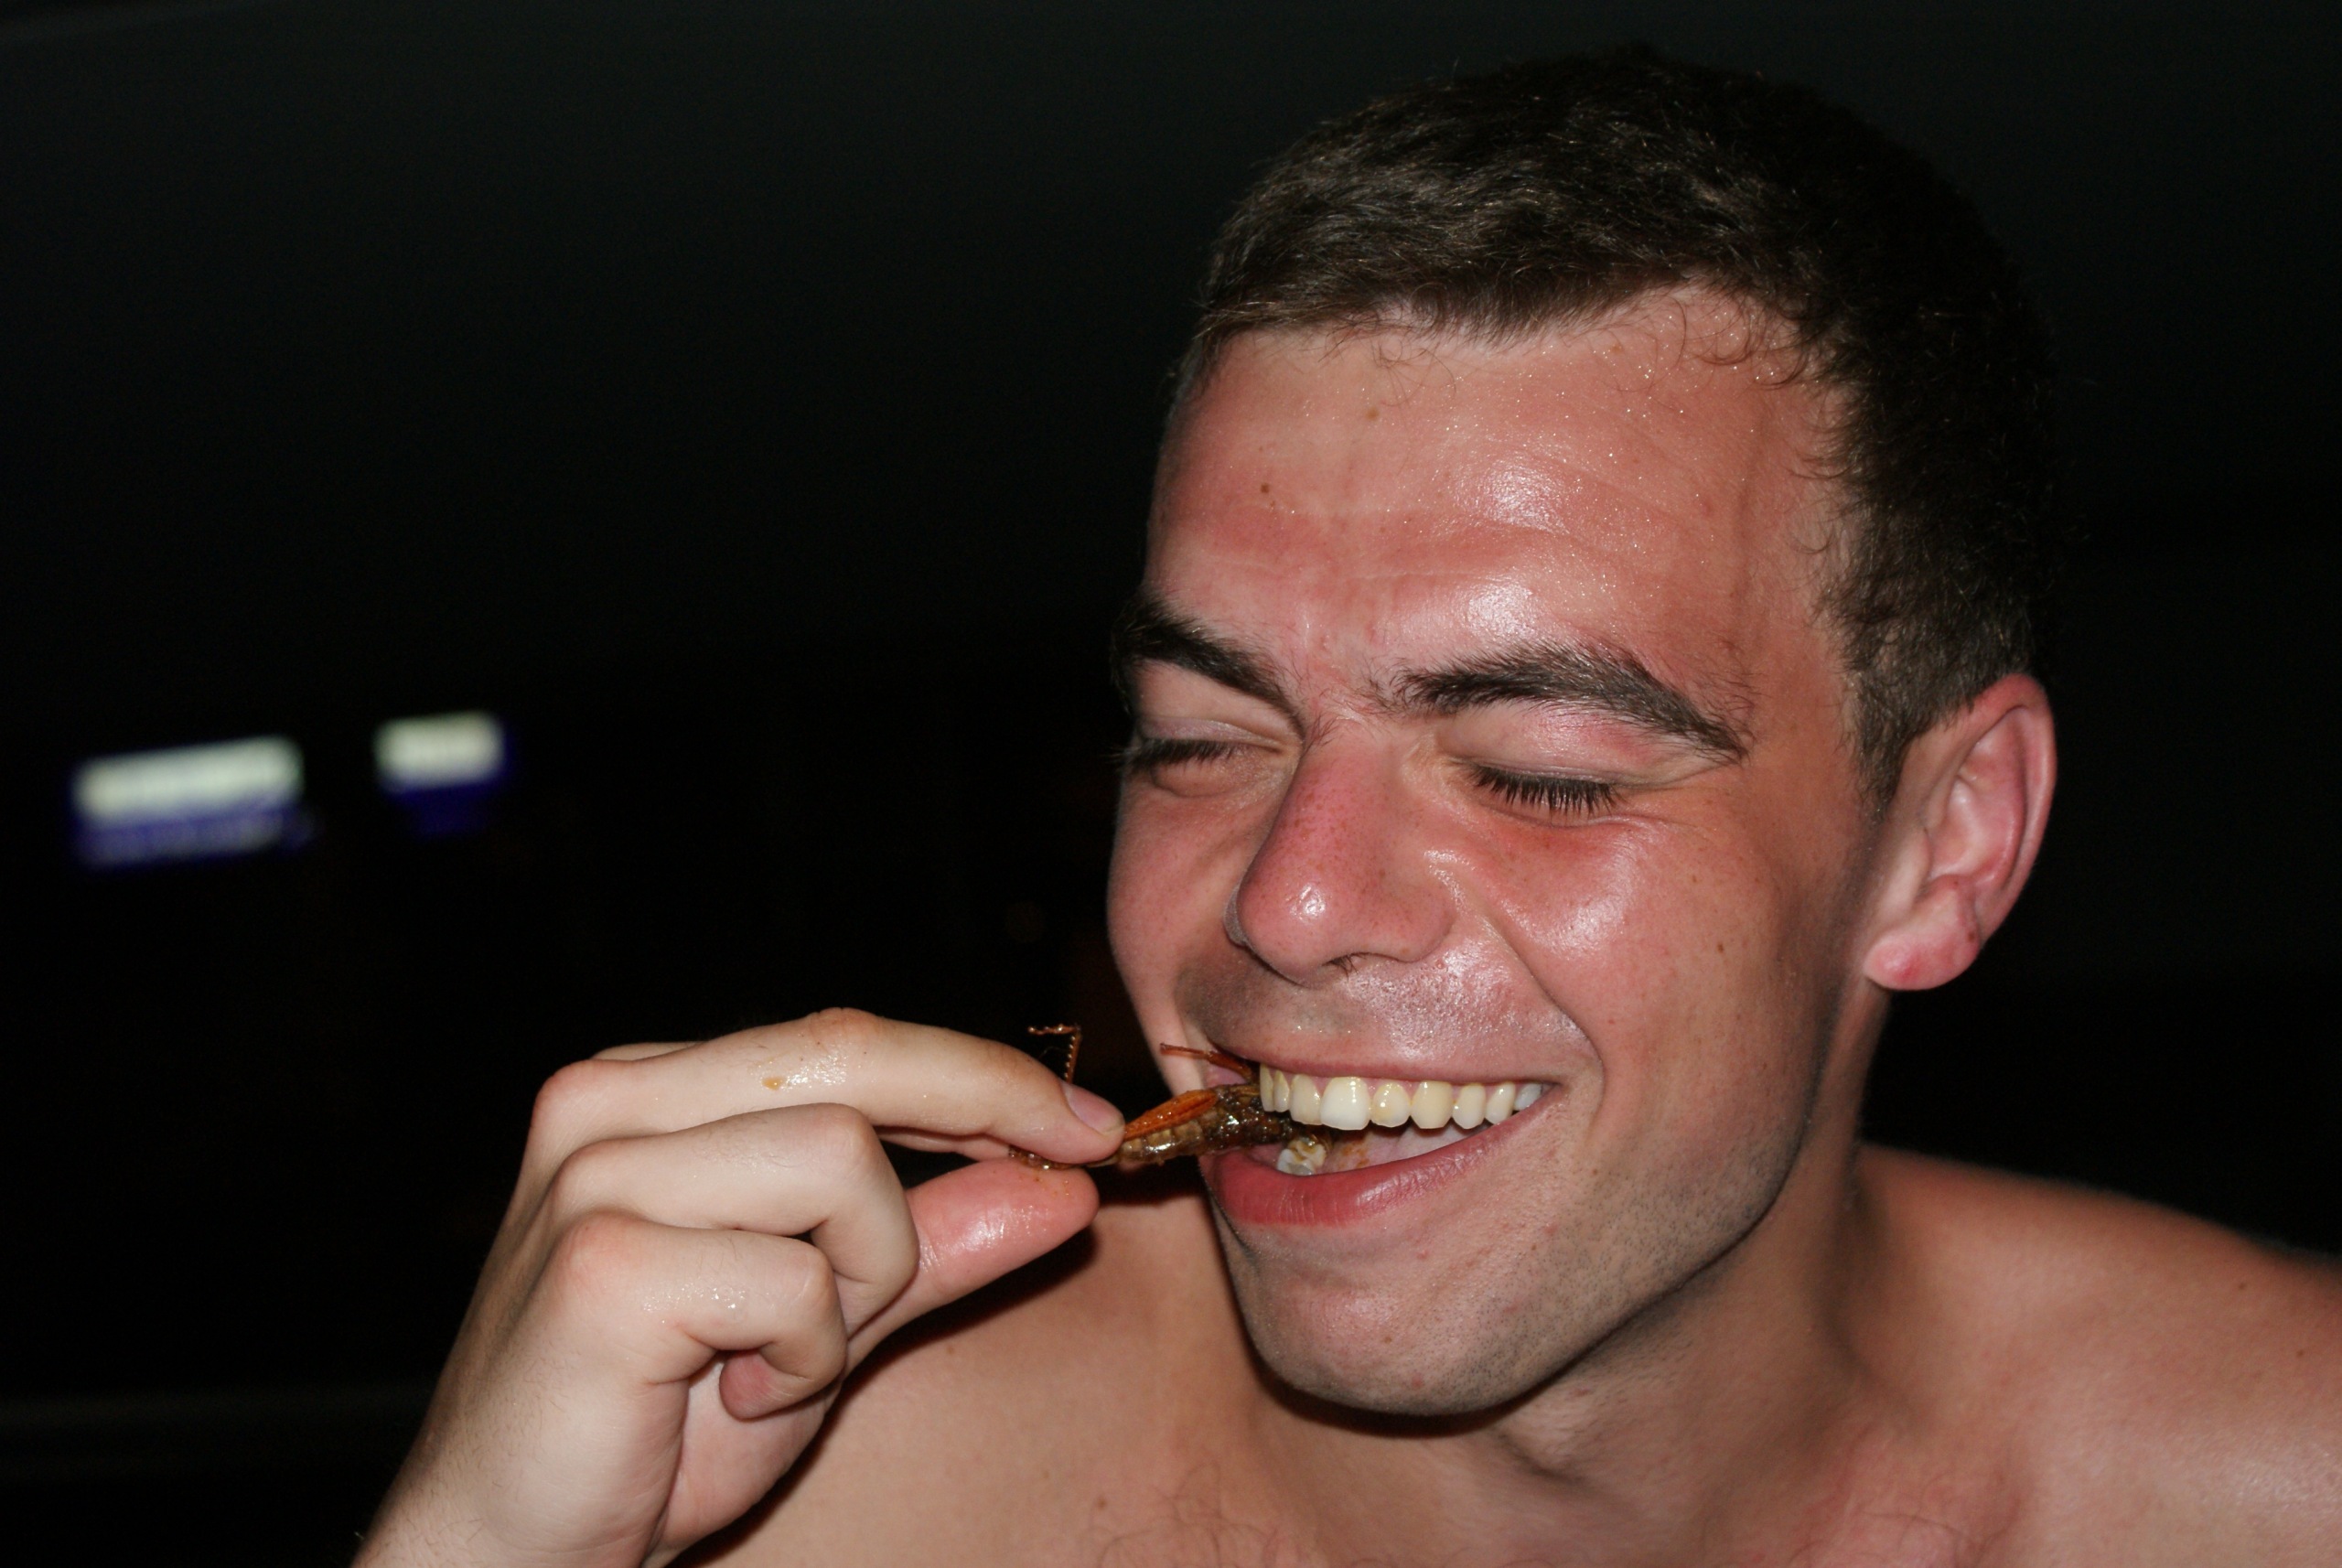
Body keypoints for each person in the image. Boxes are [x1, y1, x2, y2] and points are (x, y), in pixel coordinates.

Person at [356, 50, 2342, 1568]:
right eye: (1197, 738)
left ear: (1946, 845)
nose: (1287, 910)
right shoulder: (815, 1483)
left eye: (1538, 765)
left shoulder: (2281, 1478)